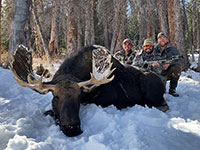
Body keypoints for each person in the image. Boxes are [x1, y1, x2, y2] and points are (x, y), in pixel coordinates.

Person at [152, 32, 182, 97]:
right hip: (157, 74)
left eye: (164, 38)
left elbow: (180, 60)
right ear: (157, 40)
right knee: (161, 91)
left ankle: (172, 89)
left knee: (177, 68)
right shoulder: (154, 49)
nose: (162, 39)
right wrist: (153, 64)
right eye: (160, 38)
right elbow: (148, 58)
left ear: (167, 39)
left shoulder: (173, 49)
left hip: (169, 72)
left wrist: (169, 63)